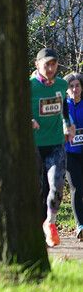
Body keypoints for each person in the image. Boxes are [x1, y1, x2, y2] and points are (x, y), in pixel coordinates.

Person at [30, 49, 74, 247]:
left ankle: (51, 223)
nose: (50, 68)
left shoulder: (62, 84)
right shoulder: (29, 86)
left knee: (56, 188)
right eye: (46, 64)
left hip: (56, 143)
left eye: (53, 64)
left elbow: (64, 107)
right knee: (38, 189)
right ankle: (35, 228)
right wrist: (28, 119)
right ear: (37, 64)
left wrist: (68, 124)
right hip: (34, 146)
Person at [64, 72, 83, 242]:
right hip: (69, 154)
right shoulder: (63, 106)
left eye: (78, 85)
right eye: (72, 86)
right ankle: (80, 225)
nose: (75, 89)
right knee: (76, 188)